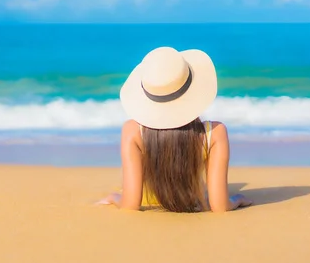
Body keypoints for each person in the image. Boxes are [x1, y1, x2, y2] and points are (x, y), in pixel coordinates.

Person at [97, 46, 252, 212]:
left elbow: (130, 204)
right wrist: (237, 199)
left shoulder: (132, 131)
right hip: (192, 202)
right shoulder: (214, 133)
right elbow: (220, 206)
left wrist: (114, 197)